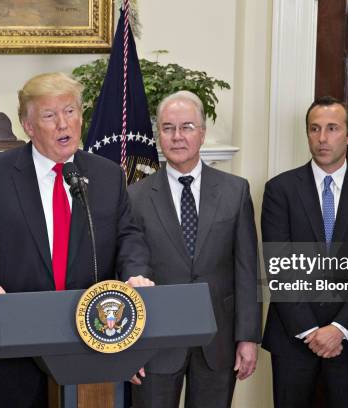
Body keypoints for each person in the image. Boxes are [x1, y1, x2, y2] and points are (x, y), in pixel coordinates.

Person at [0, 72, 153, 408]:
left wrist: (135, 274)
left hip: (91, 353)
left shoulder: (107, 175)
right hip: (9, 360)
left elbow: (129, 238)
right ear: (28, 125)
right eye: (50, 116)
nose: (63, 124)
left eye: (70, 111)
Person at [127, 90, 261, 408]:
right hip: (154, 343)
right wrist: (127, 345)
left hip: (218, 340)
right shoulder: (135, 197)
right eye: (168, 127)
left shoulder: (235, 191)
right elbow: (127, 270)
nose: (177, 136)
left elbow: (246, 270)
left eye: (186, 126)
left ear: (202, 133)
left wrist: (248, 337)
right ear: (158, 134)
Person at [261, 96, 348, 408]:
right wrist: (310, 330)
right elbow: (278, 267)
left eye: (332, 128)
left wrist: (339, 329)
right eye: (314, 129)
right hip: (292, 336)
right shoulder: (280, 189)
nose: (322, 138)